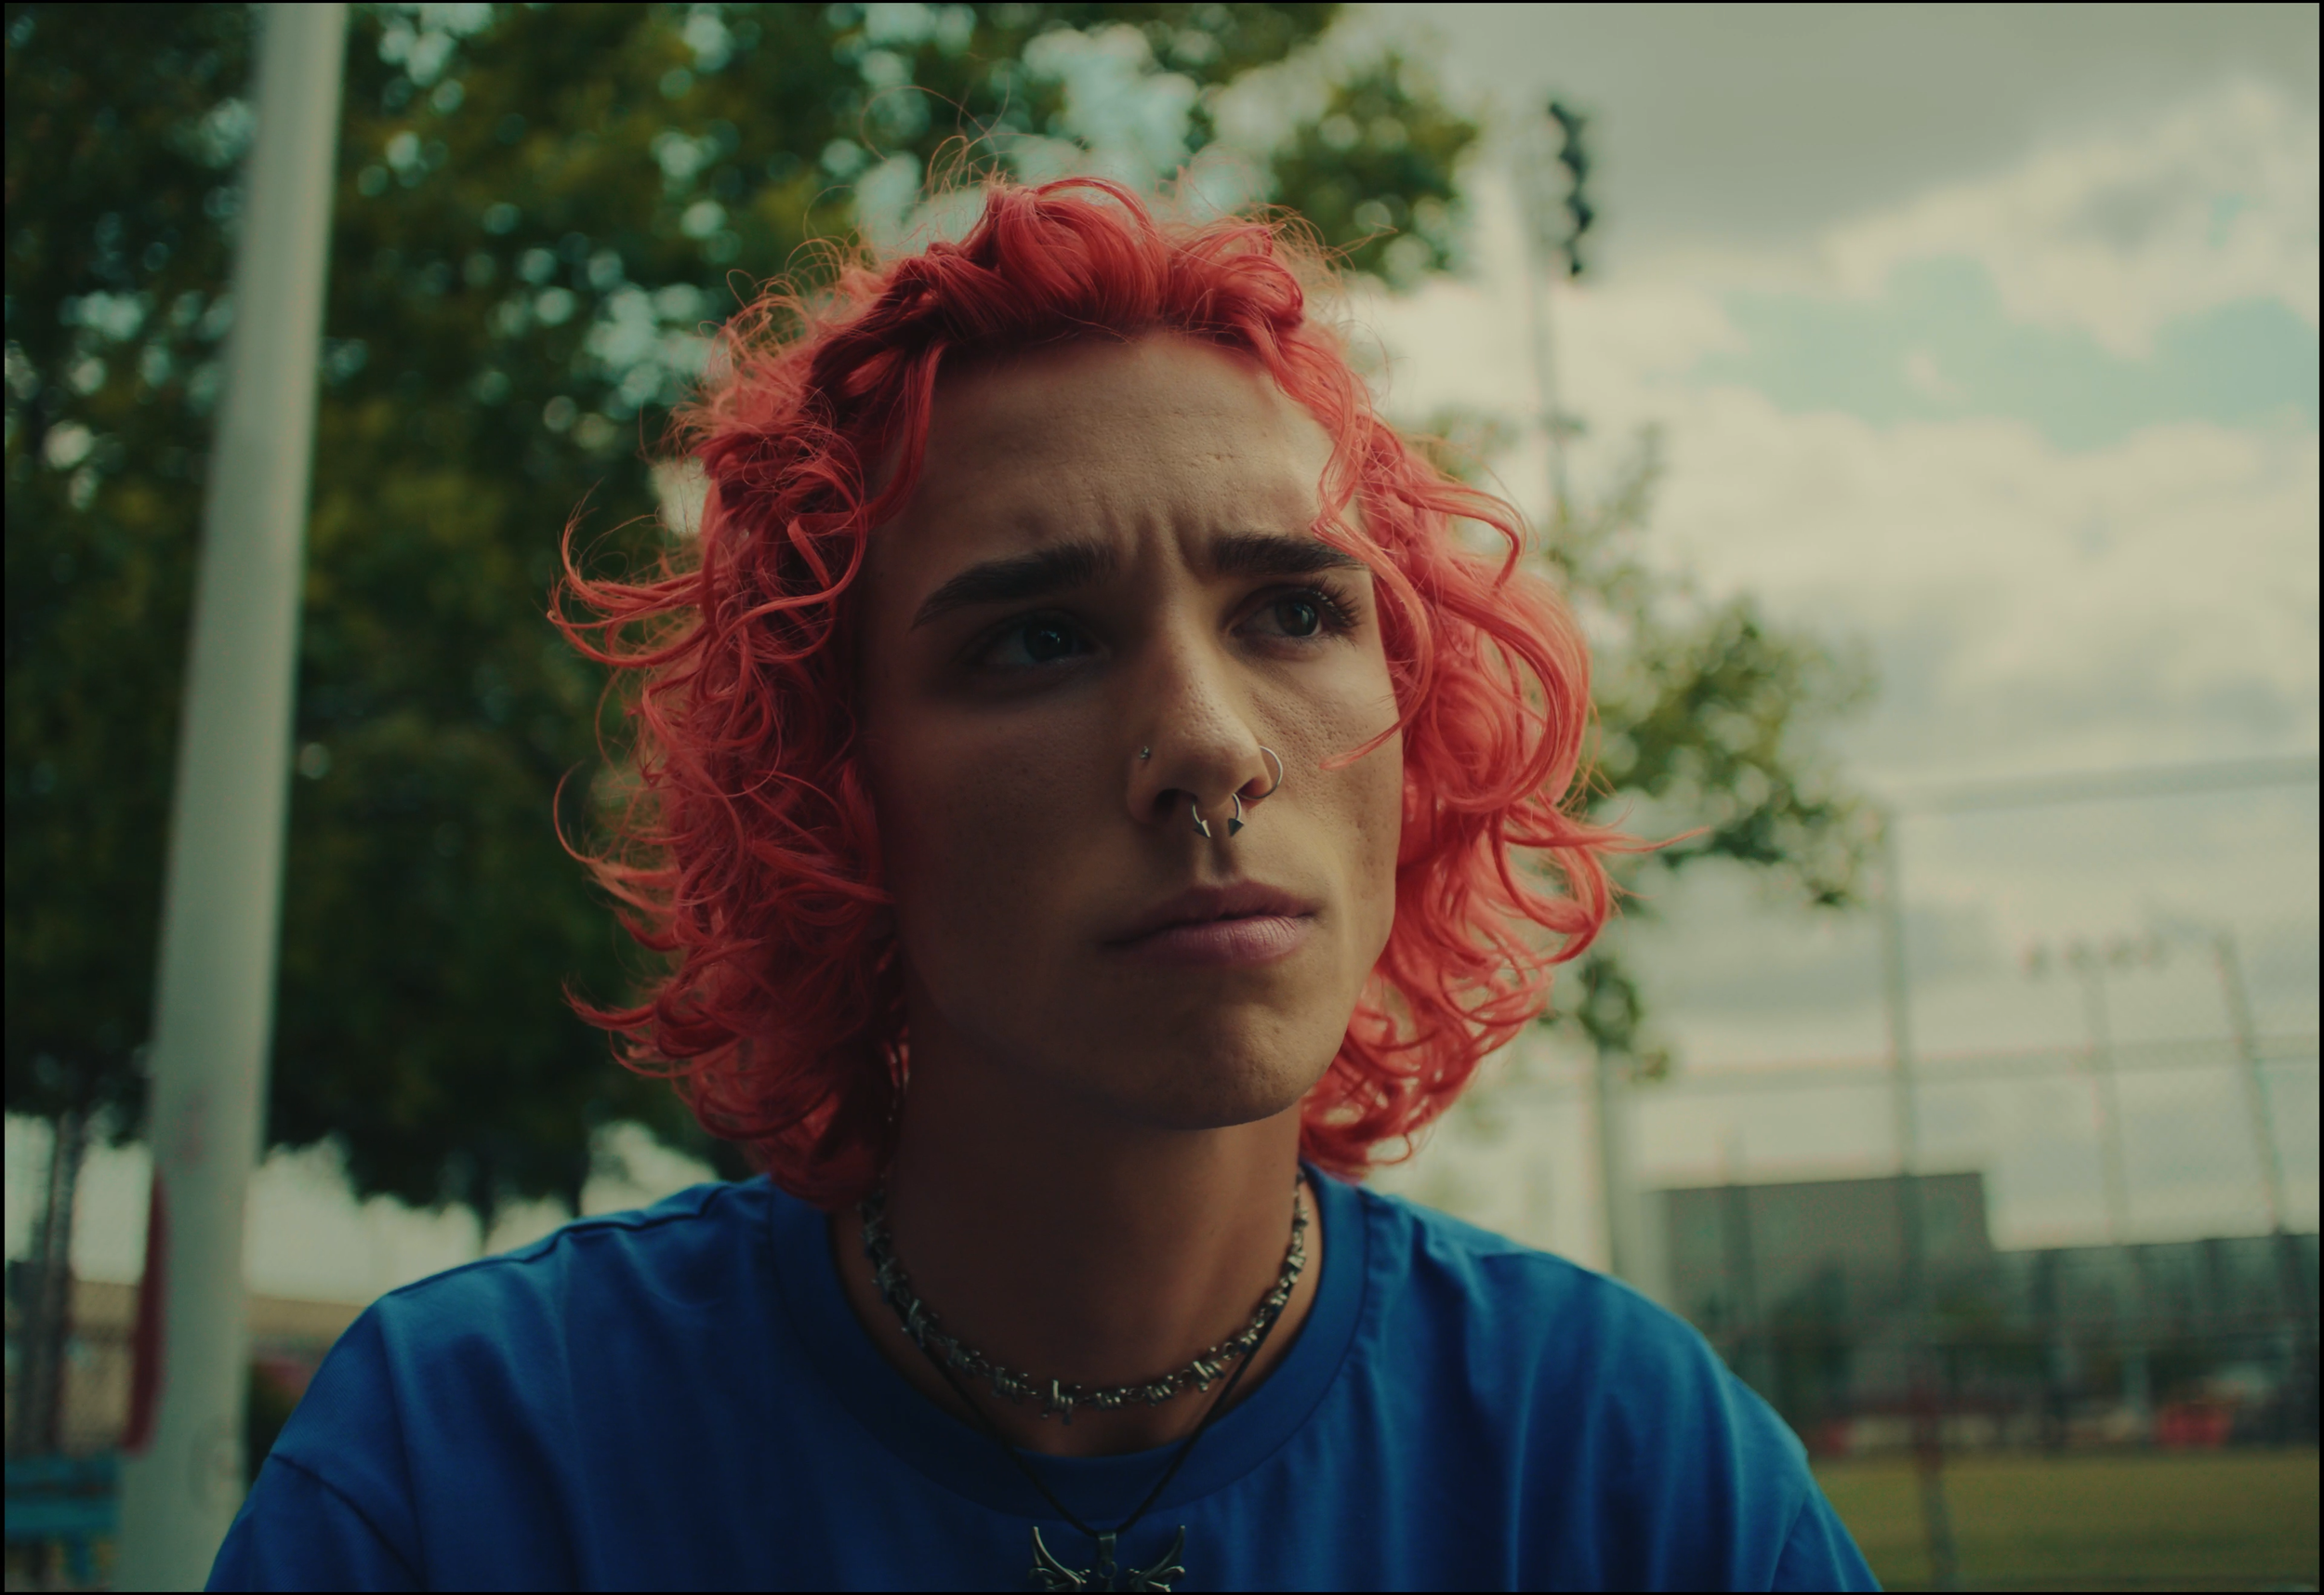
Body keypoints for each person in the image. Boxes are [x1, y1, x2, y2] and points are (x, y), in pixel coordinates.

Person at [209, 178, 1878, 1592]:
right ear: (828, 781)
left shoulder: (1636, 1481)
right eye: (1038, 638)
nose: (1209, 746)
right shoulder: (466, 1473)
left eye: (1296, 611)